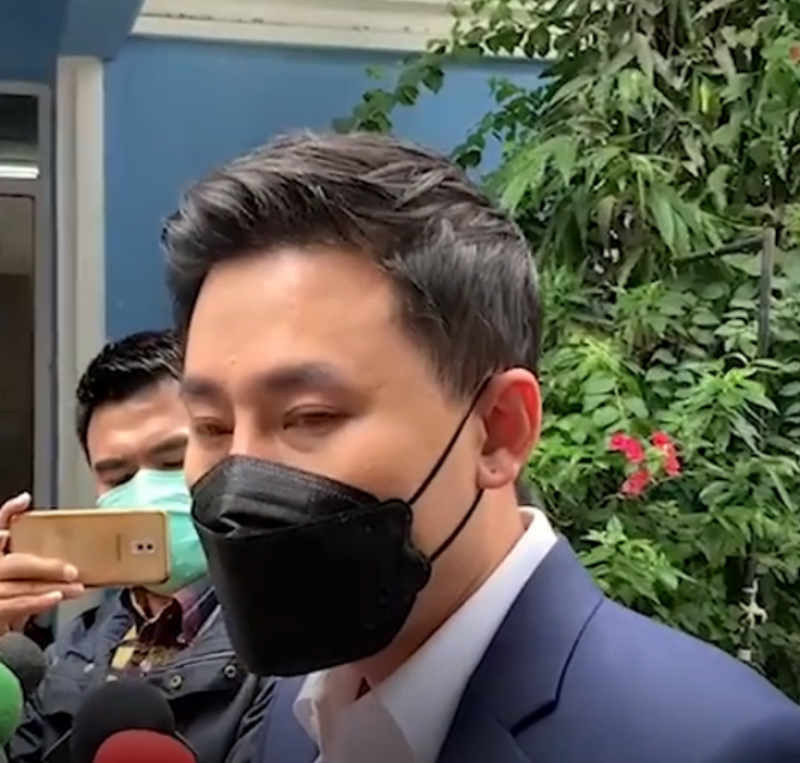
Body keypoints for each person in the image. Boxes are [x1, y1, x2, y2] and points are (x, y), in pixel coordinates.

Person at [162, 131, 800, 763]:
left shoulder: (716, 745)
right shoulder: (297, 707)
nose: (239, 477)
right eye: (211, 426)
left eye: (310, 416)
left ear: (498, 430)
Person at [1, 330, 272, 763]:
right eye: (118, 477)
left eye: (171, 460)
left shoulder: (288, 639)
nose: (145, 491)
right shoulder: (73, 650)